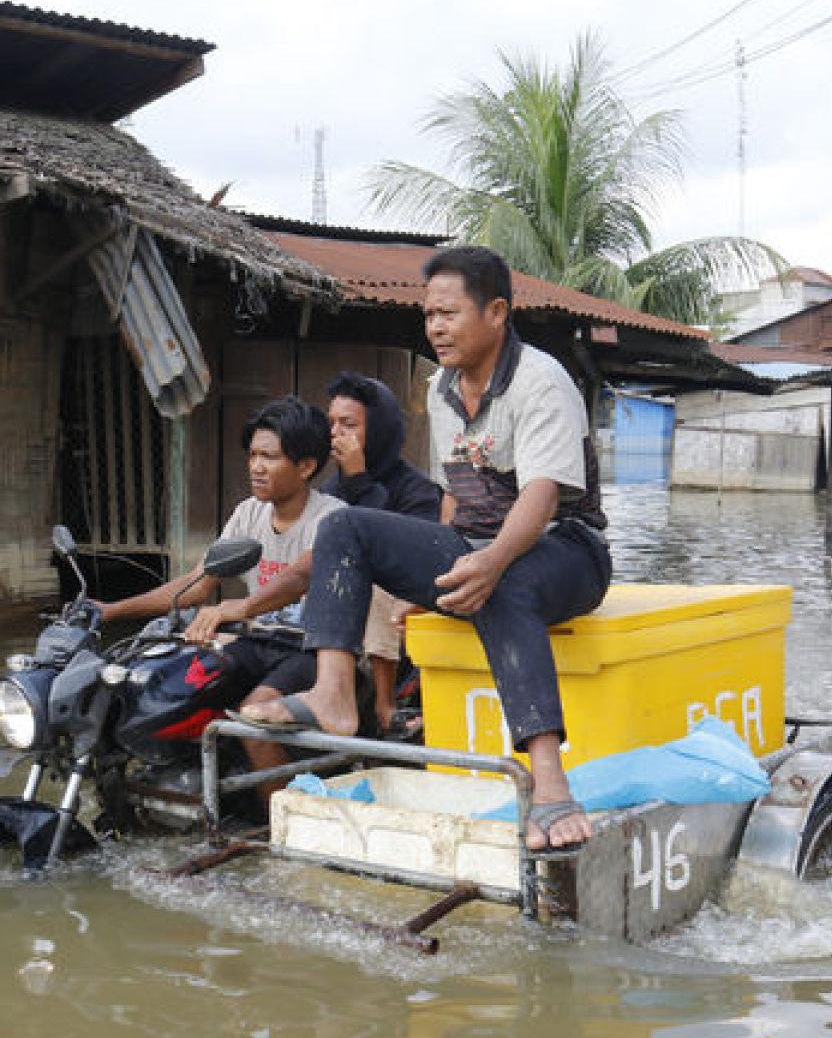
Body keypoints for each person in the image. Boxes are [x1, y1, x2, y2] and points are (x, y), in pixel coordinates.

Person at [237, 245, 612, 853]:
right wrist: (427, 578)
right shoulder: (441, 388)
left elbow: (541, 497)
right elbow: (454, 498)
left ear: (495, 312)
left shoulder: (541, 381)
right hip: (477, 540)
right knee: (347, 526)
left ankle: (548, 779)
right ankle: (333, 693)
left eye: (448, 313)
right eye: (428, 315)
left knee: (501, 582)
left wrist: (486, 562)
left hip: (568, 547)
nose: (434, 327)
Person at [94, 396, 342, 804]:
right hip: (254, 642)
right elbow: (198, 583)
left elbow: (299, 578)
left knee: (254, 715)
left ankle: (279, 827)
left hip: (309, 649)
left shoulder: (332, 518)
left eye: (269, 457)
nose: (255, 467)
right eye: (252, 455)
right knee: (166, 689)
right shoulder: (248, 513)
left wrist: (236, 608)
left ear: (306, 467)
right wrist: (111, 610)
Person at [323, 370, 443, 732]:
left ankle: (385, 703)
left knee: (376, 576)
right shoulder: (330, 489)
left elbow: (404, 554)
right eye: (332, 423)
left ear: (377, 430)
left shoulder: (419, 491)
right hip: (344, 613)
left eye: (349, 424)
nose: (336, 434)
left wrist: (360, 479)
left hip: (399, 611)